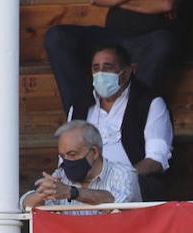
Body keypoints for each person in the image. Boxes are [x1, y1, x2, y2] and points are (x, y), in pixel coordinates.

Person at [66, 45, 172, 201]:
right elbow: (66, 159)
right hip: (83, 189)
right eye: (96, 69)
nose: (100, 74)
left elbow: (155, 160)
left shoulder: (149, 103)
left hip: (129, 188)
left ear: (127, 72)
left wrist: (120, 179)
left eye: (107, 68)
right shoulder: (79, 108)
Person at [43, 1, 186, 115]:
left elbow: (166, 4)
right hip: (112, 37)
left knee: (164, 44)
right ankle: (82, 117)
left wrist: (116, 2)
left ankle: (129, 115)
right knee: (57, 37)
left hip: (150, 39)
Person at [19, 120, 140, 213]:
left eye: (72, 154)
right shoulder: (61, 176)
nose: (66, 161)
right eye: (62, 156)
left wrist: (72, 192)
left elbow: (116, 204)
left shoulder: (123, 174)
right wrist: (41, 194)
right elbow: (25, 205)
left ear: (94, 153)